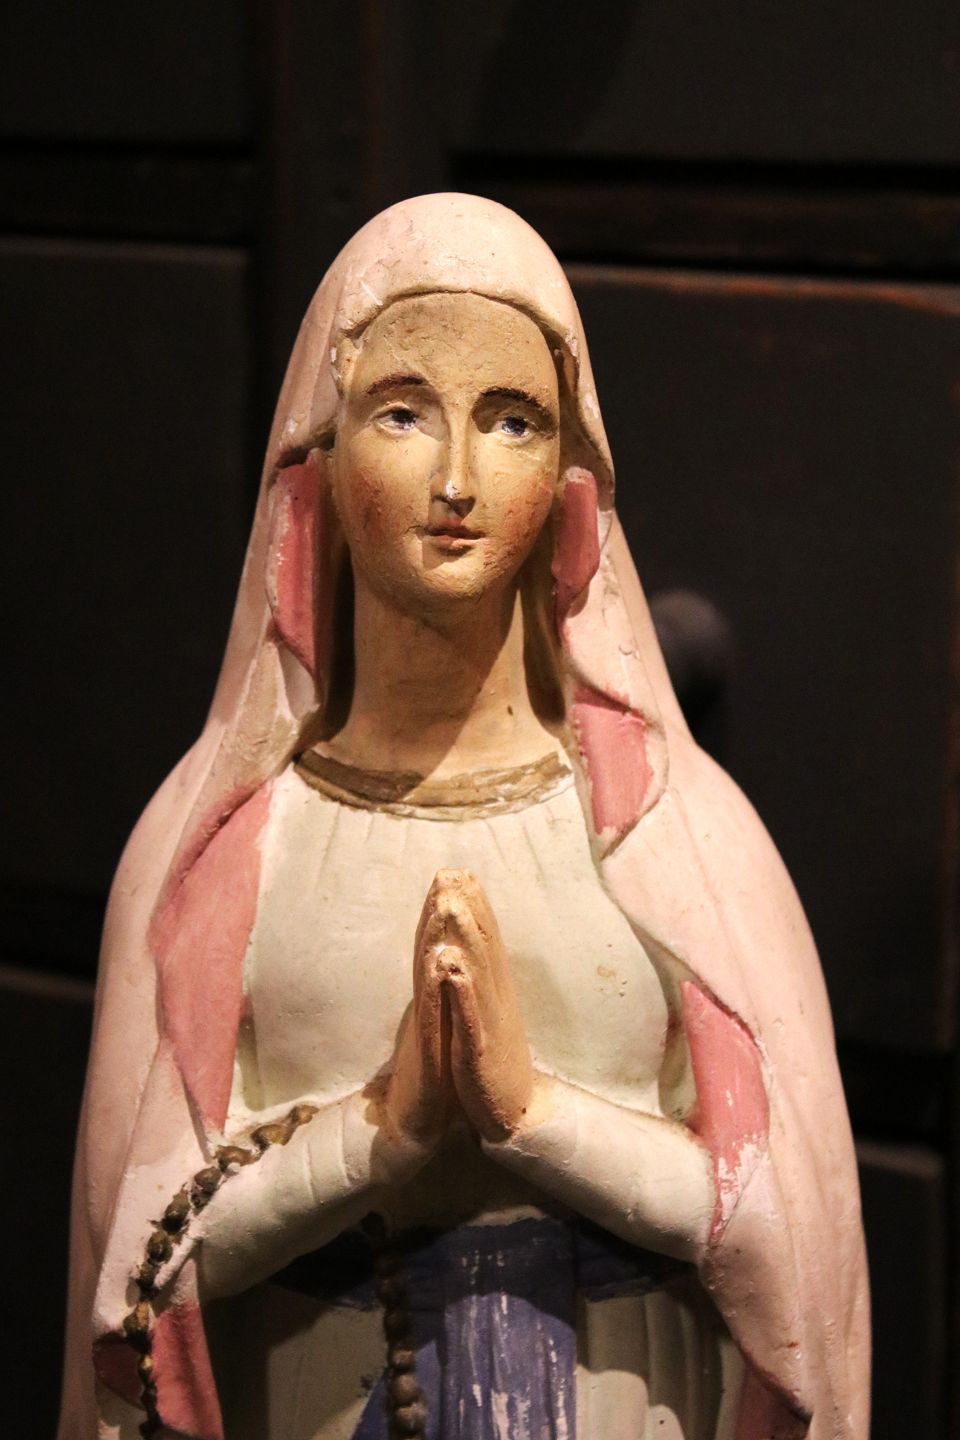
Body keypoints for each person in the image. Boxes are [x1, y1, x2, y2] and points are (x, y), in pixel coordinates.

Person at [58, 193, 869, 1440]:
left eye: (511, 420)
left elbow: (787, 1236)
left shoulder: (676, 839)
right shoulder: (220, 852)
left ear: (568, 479)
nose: (456, 480)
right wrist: (377, 1137)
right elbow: (141, 1266)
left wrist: (533, 1116)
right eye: (402, 412)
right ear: (321, 462)